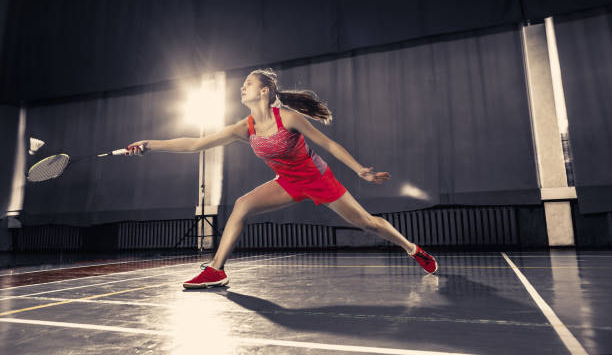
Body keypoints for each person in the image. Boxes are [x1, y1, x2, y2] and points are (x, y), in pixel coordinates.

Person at [127, 68, 438, 288]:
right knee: (242, 205)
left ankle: (412, 249)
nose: (242, 87)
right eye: (242, 84)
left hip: (318, 179)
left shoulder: (287, 118)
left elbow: (327, 144)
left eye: (247, 83)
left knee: (368, 223)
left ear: (264, 91)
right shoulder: (244, 128)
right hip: (287, 182)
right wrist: (150, 144)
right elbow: (195, 144)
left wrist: (358, 169)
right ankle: (215, 270)